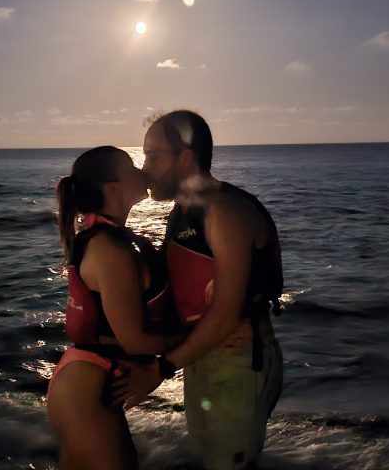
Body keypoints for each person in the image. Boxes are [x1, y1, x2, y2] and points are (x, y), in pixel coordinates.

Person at [112, 111, 285, 469]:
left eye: (153, 156)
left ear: (185, 158)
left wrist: (159, 370)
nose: (145, 168)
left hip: (237, 362)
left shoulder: (222, 211)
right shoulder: (182, 213)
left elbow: (224, 316)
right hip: (200, 358)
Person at [46, 146, 178, 470]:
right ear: (113, 188)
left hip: (85, 385)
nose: (141, 173)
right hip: (86, 393)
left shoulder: (110, 238)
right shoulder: (111, 250)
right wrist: (197, 336)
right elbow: (135, 341)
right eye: (132, 167)